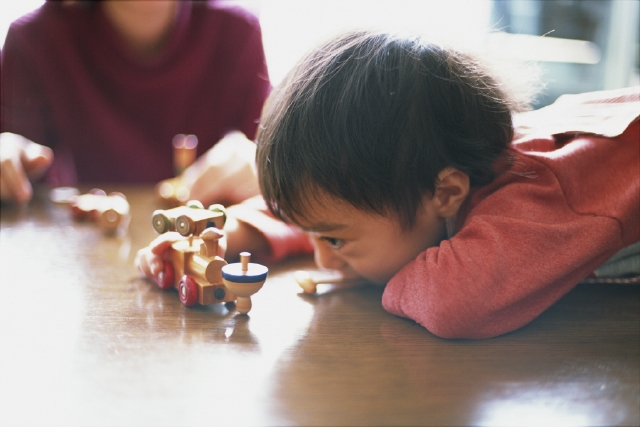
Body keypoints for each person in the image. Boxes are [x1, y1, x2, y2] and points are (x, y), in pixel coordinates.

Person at [136, 31, 639, 339]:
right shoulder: (438, 161)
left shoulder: (538, 196)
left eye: (334, 241)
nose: (324, 260)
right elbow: (340, 205)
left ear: (445, 193)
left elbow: (455, 304)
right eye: (319, 239)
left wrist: (382, 274)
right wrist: (239, 235)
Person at [0, 0, 270, 205]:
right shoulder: (35, 41)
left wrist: (260, 165)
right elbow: (16, 160)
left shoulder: (237, 31)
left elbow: (274, 169)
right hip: (84, 247)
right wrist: (8, 153)